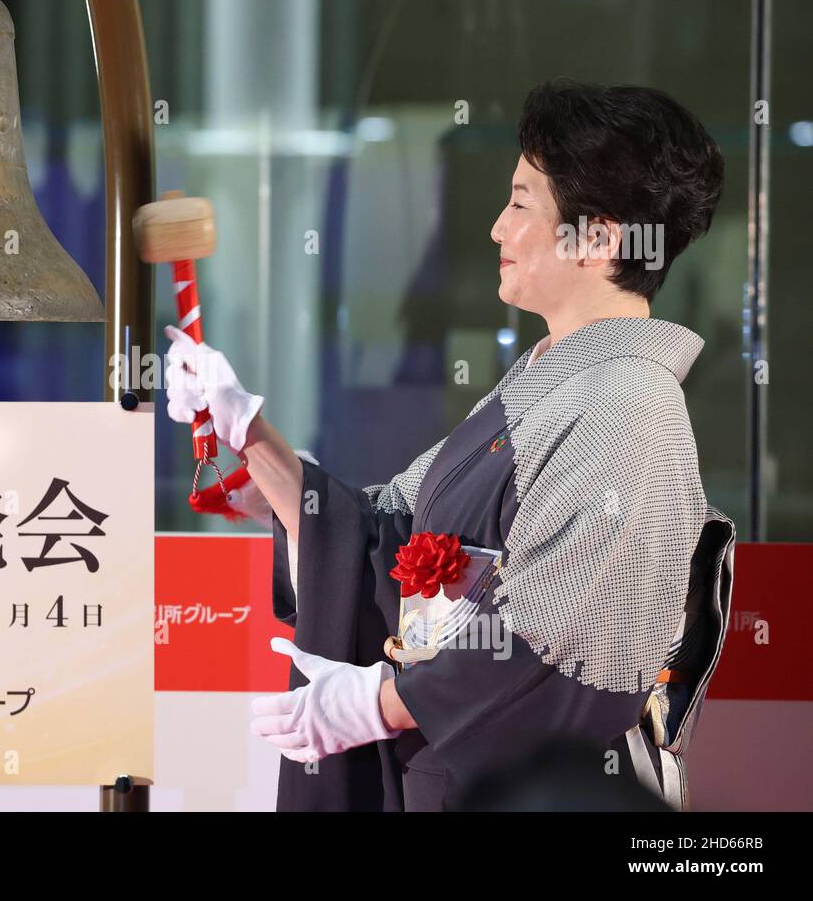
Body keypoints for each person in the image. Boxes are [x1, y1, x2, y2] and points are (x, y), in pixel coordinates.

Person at [163, 79, 724, 811]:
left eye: (522, 202)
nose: (497, 227)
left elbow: (550, 649)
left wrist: (378, 701)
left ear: (601, 237)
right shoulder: (548, 378)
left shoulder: (627, 406)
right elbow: (384, 526)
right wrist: (247, 433)